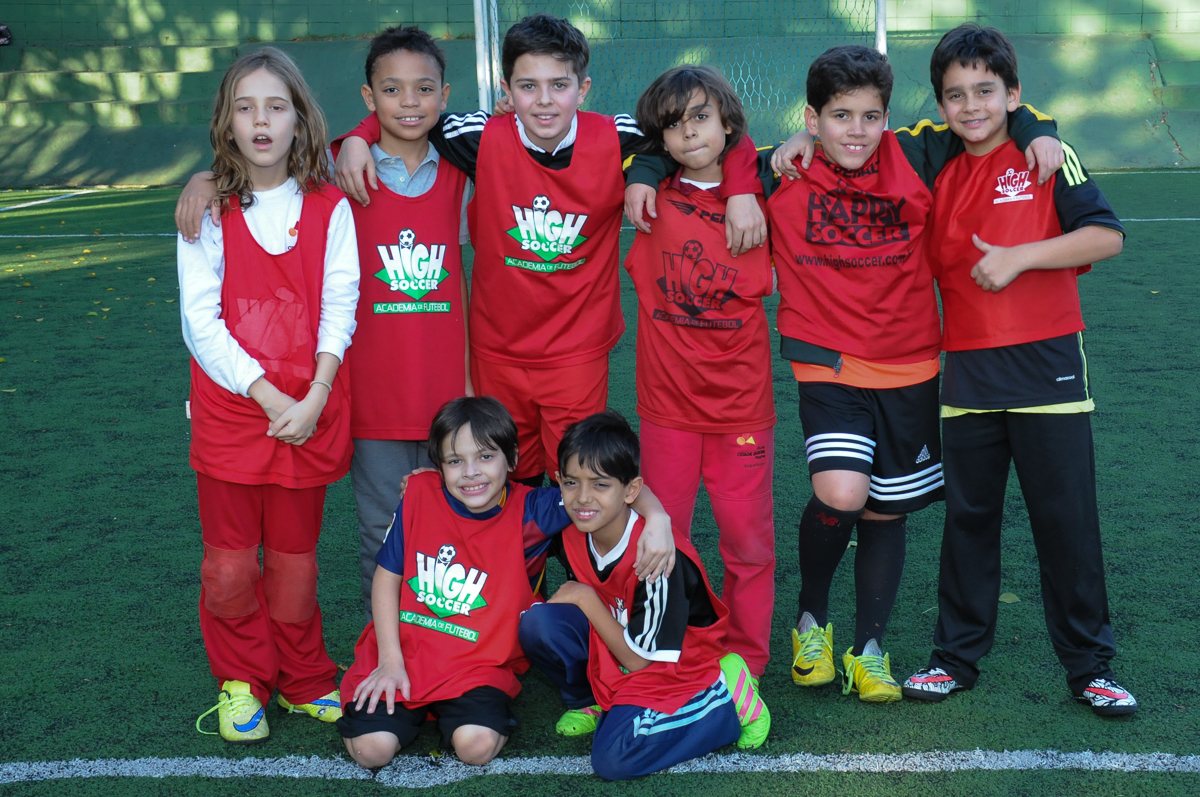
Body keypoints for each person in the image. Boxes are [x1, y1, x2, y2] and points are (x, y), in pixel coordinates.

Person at [327, 14, 768, 489]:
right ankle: (520, 566)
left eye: (559, 85)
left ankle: (581, 566)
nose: (543, 101)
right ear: (506, 89)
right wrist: (359, 135)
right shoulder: (475, 136)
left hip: (577, 355)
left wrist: (740, 188)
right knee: (508, 483)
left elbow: (705, 133)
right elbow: (413, 113)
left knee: (577, 478)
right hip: (498, 355)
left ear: (583, 88)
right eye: (527, 86)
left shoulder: (616, 135)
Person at [765, 45, 1063, 702]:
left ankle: (869, 648)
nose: (856, 131)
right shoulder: (781, 169)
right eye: (839, 115)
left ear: (887, 117)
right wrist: (730, 183)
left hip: (911, 362)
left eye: (871, 116)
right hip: (827, 363)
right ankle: (810, 617)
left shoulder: (919, 152)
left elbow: (994, 110)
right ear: (812, 119)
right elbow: (697, 155)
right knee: (842, 491)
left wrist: (1040, 130)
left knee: (883, 509)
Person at [897, 24, 1136, 717]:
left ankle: (1090, 665)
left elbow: (1106, 234)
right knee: (969, 520)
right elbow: (860, 137)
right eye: (955, 94)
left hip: (1049, 369)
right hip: (967, 372)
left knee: (1065, 521)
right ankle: (954, 658)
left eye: (986, 91)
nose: (971, 106)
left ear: (1013, 93)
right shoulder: (932, 156)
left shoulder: (1048, 156)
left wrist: (1018, 254)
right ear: (940, 103)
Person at [337, 397, 678, 768]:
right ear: (438, 467)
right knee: (371, 752)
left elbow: (604, 480)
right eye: (455, 461)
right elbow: (387, 577)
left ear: (512, 459)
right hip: (406, 652)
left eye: (485, 457)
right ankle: (405, 703)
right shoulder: (419, 494)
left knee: (475, 748)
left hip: (477, 665)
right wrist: (389, 660)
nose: (471, 472)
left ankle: (461, 715)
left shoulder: (534, 511)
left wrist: (658, 516)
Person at [182, 47, 359, 744]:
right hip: (235, 414)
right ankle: (241, 678)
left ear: (299, 119)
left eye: (275, 106)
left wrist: (314, 394)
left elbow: (340, 304)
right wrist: (263, 393)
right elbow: (201, 321)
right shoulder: (208, 208)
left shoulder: (329, 206)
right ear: (226, 122)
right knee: (229, 564)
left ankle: (304, 675)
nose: (261, 120)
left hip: (306, 413)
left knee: (294, 562)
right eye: (245, 106)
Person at [621, 65, 776, 679]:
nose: (688, 134)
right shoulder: (645, 195)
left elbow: (796, 151)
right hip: (668, 412)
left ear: (729, 122)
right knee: (662, 543)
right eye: (673, 126)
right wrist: (643, 167)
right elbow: (606, 141)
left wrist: (742, 184)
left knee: (748, 546)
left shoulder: (764, 195)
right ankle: (666, 657)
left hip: (741, 409)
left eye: (701, 118)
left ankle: (748, 663)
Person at [517, 411, 770, 781]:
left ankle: (726, 697)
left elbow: (642, 664)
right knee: (537, 623)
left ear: (630, 491)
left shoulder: (657, 558)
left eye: (600, 485)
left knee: (614, 759)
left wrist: (585, 597)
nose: (583, 497)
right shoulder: (569, 520)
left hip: (672, 664)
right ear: (559, 482)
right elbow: (499, 502)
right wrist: (430, 484)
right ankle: (592, 698)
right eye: (571, 482)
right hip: (617, 640)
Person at [338, 26, 473, 621]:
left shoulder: (466, 173)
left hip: (454, 397)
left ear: (445, 96)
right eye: (392, 90)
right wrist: (204, 178)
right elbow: (261, 172)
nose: (410, 102)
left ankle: (452, 651)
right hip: (375, 401)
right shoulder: (339, 176)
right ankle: (384, 655)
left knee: (457, 534)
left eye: (424, 89)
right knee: (383, 534)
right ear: (370, 99)